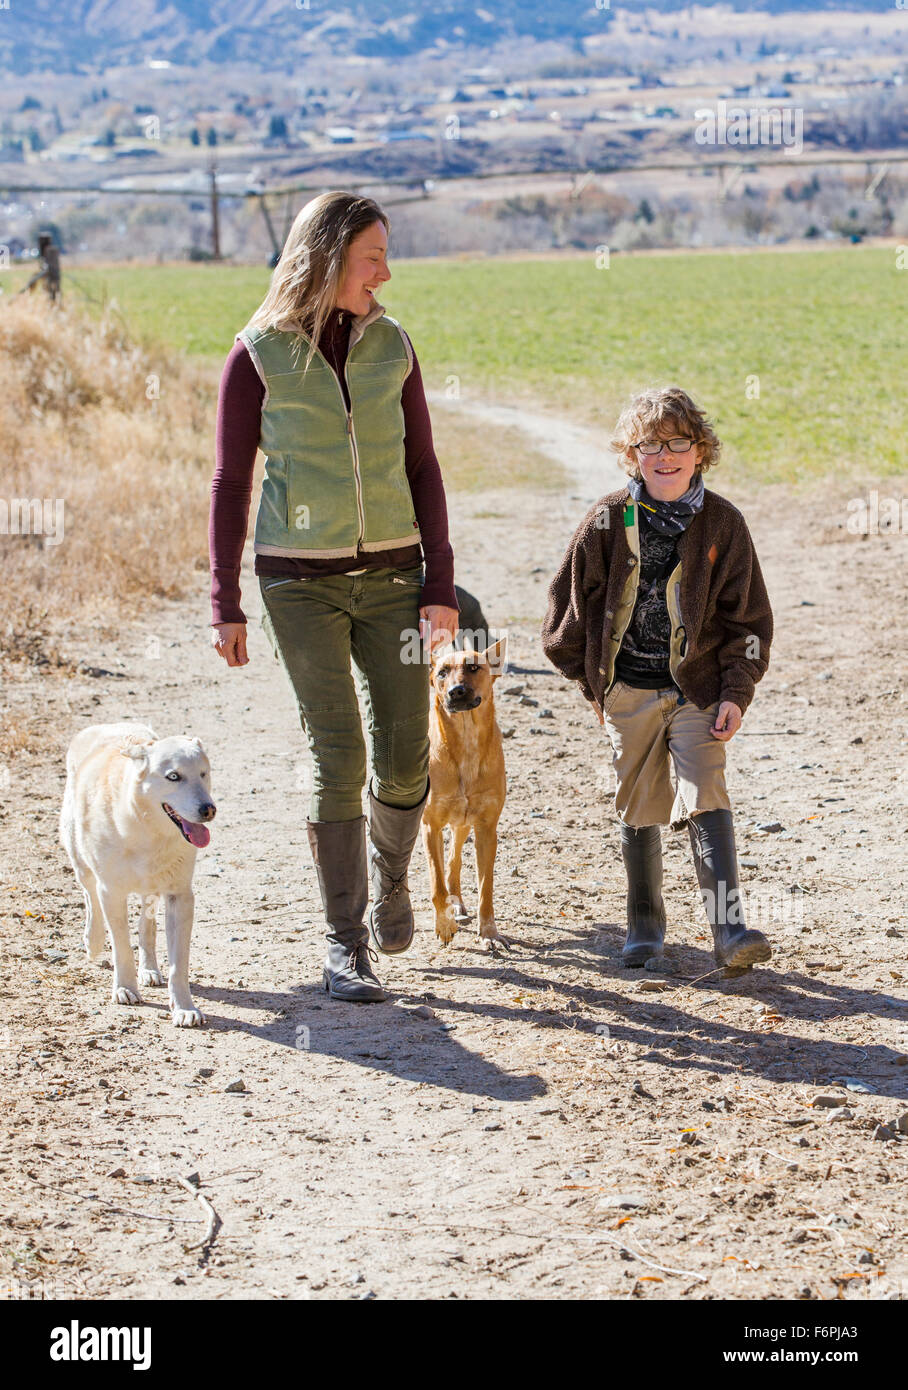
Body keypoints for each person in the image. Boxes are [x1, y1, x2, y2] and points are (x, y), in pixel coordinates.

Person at [208, 191, 459, 1003]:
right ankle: (343, 942)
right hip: (296, 582)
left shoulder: (393, 346)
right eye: (371, 257)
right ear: (325, 259)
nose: (386, 272)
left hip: (394, 575)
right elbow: (231, 480)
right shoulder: (256, 355)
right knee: (337, 751)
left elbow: (423, 466)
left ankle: (391, 874)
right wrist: (225, 599)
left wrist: (440, 580)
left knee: (405, 753)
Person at [541, 386, 774, 972]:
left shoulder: (724, 524)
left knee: (706, 791)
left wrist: (734, 692)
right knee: (640, 801)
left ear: (700, 450)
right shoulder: (605, 521)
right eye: (649, 445)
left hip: (698, 691)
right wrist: (596, 686)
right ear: (631, 454)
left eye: (678, 443)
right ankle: (645, 925)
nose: (664, 455)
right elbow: (562, 618)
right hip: (630, 691)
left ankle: (729, 929)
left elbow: (749, 623)